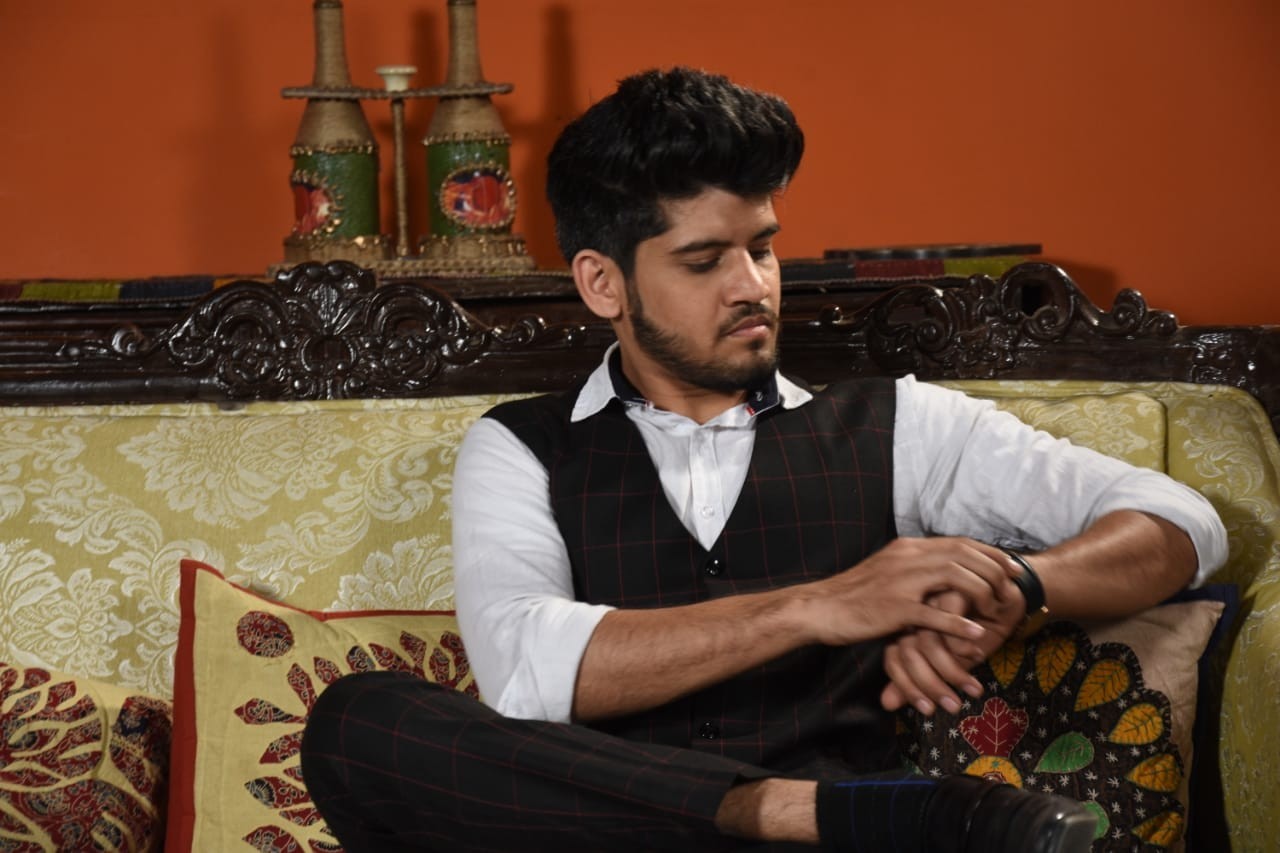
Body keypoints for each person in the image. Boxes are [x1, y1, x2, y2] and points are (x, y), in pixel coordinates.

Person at [300, 67, 1227, 852]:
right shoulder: (521, 446)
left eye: (763, 249)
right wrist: (819, 605)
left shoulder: (900, 425)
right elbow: (530, 673)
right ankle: (816, 811)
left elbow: (1180, 522)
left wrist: (1018, 587)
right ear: (603, 282)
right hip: (700, 830)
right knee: (356, 721)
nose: (753, 287)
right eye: (705, 261)